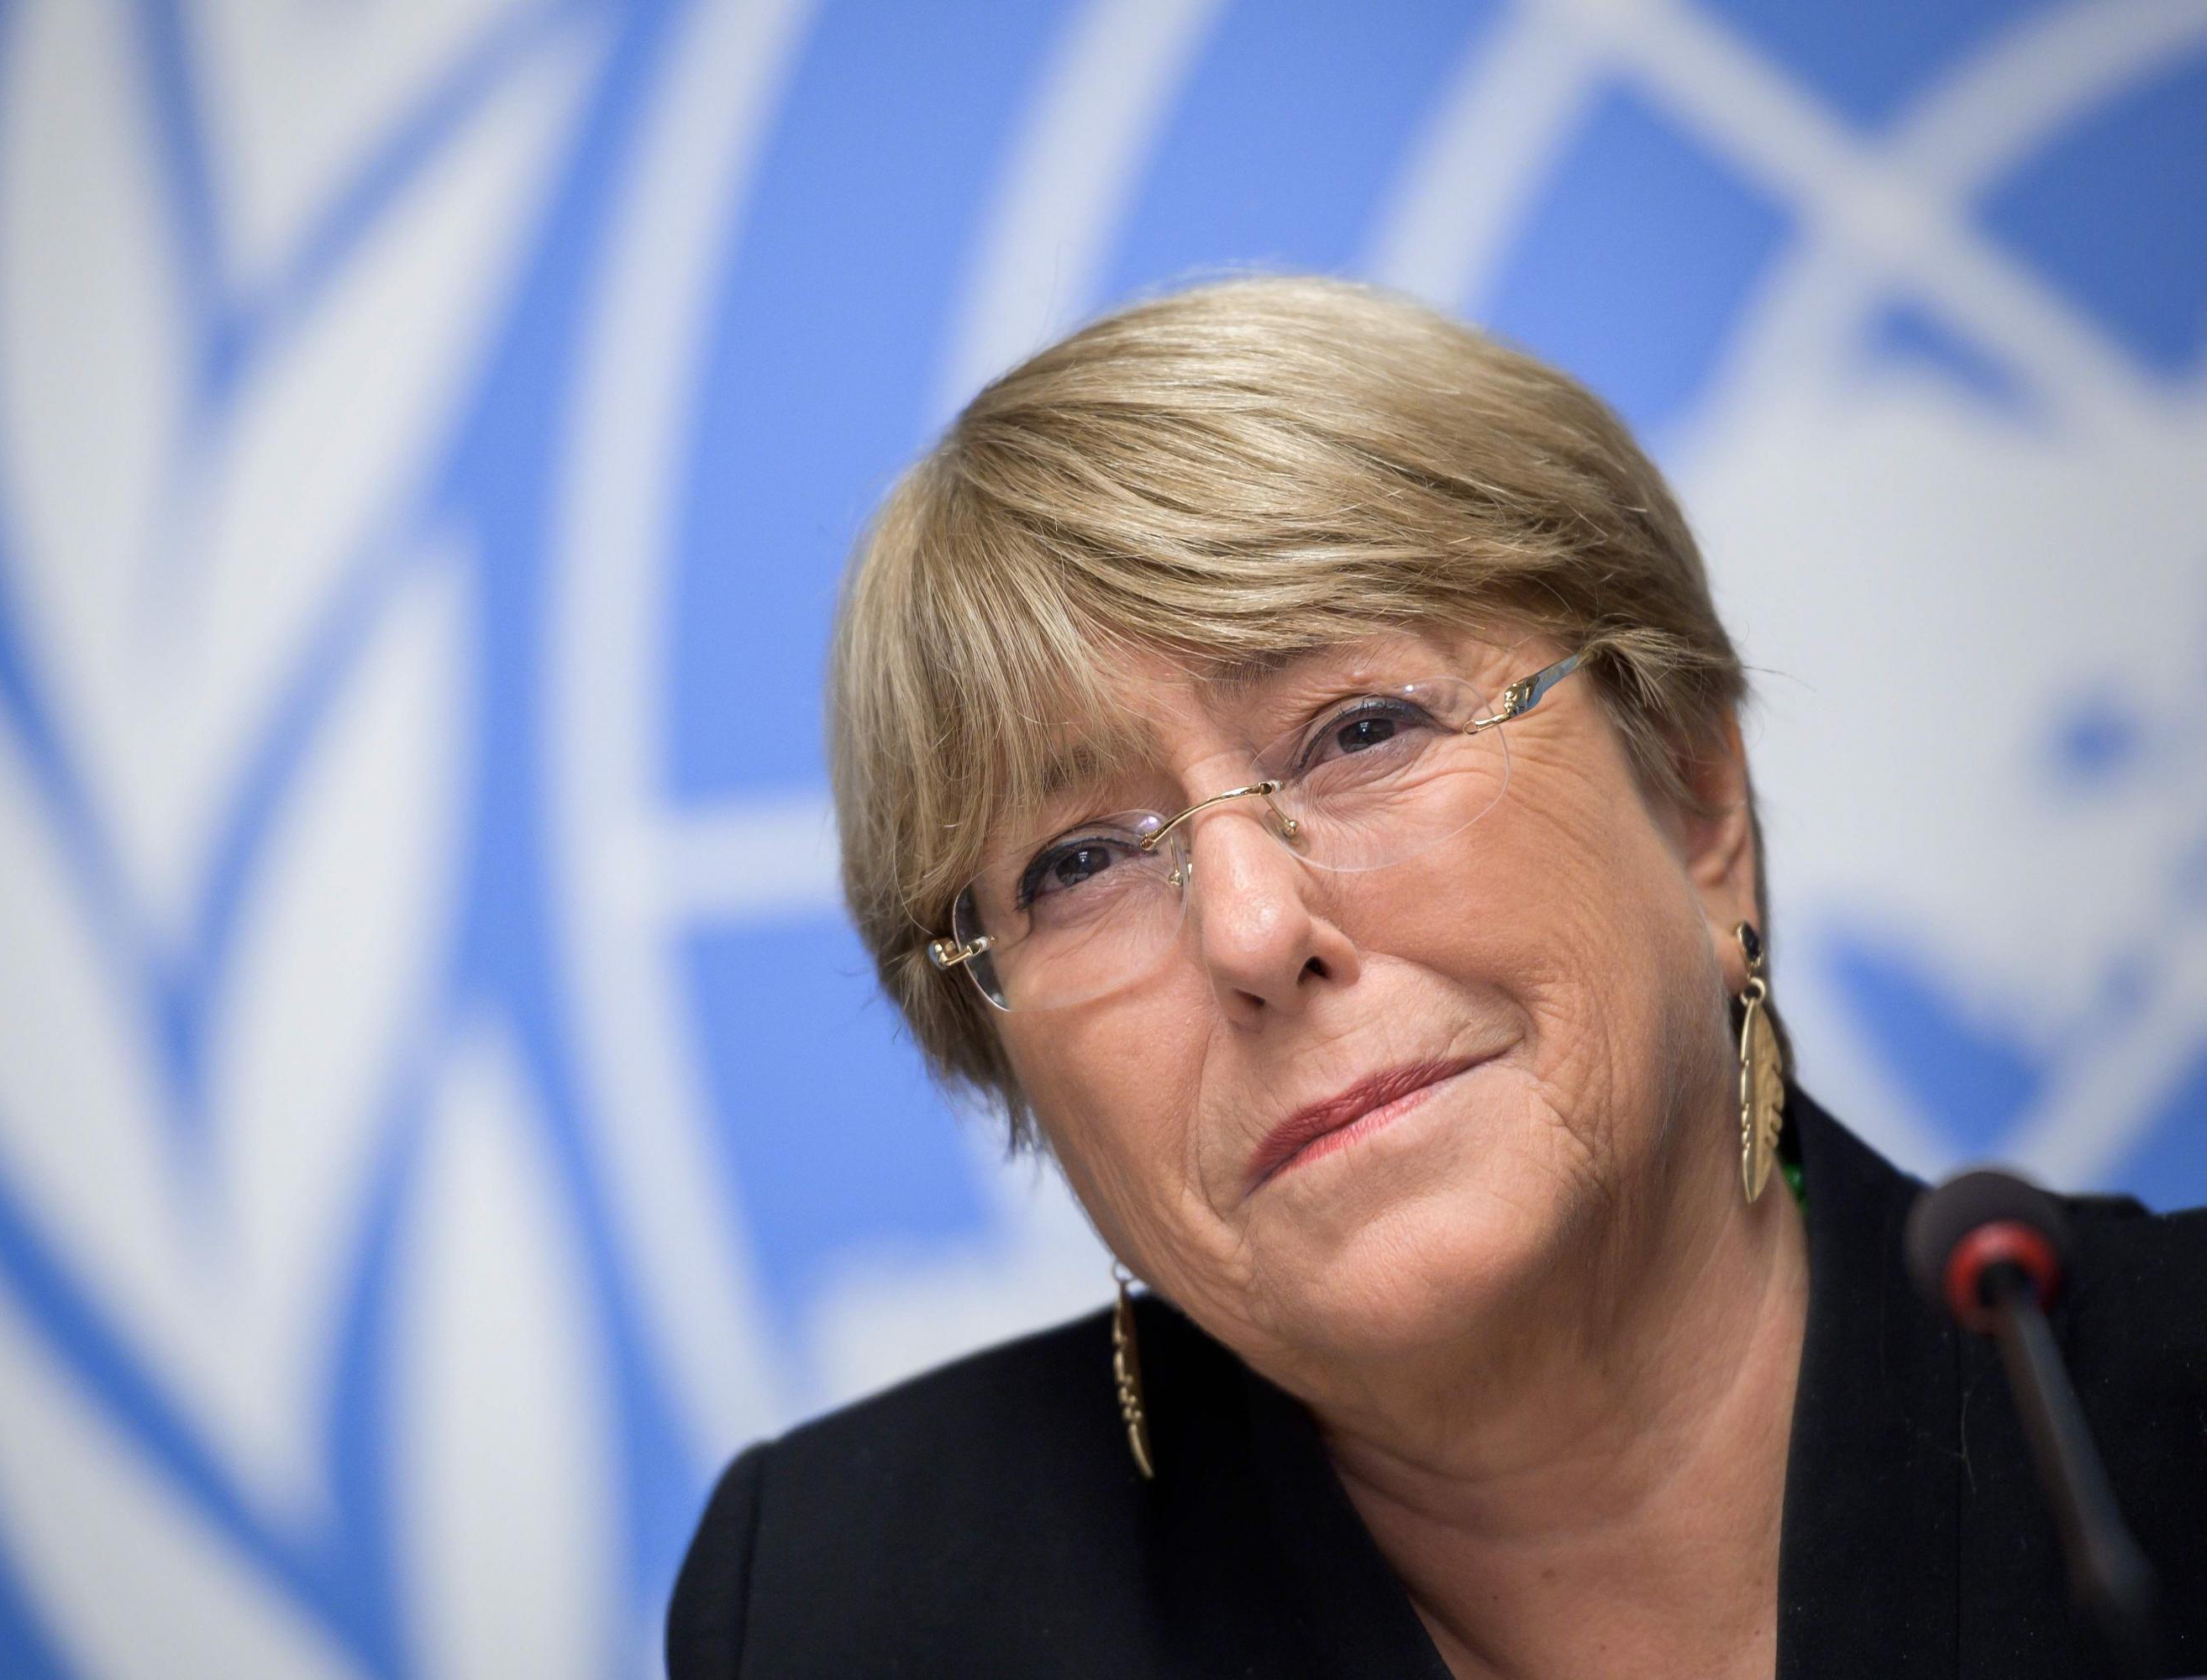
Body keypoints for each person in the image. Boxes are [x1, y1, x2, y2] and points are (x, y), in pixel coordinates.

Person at [665, 276, 2207, 1678]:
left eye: (1361, 731)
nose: (1254, 933)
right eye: (1079, 865)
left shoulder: (2166, 1416)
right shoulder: (846, 1608)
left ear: (1693, 796)